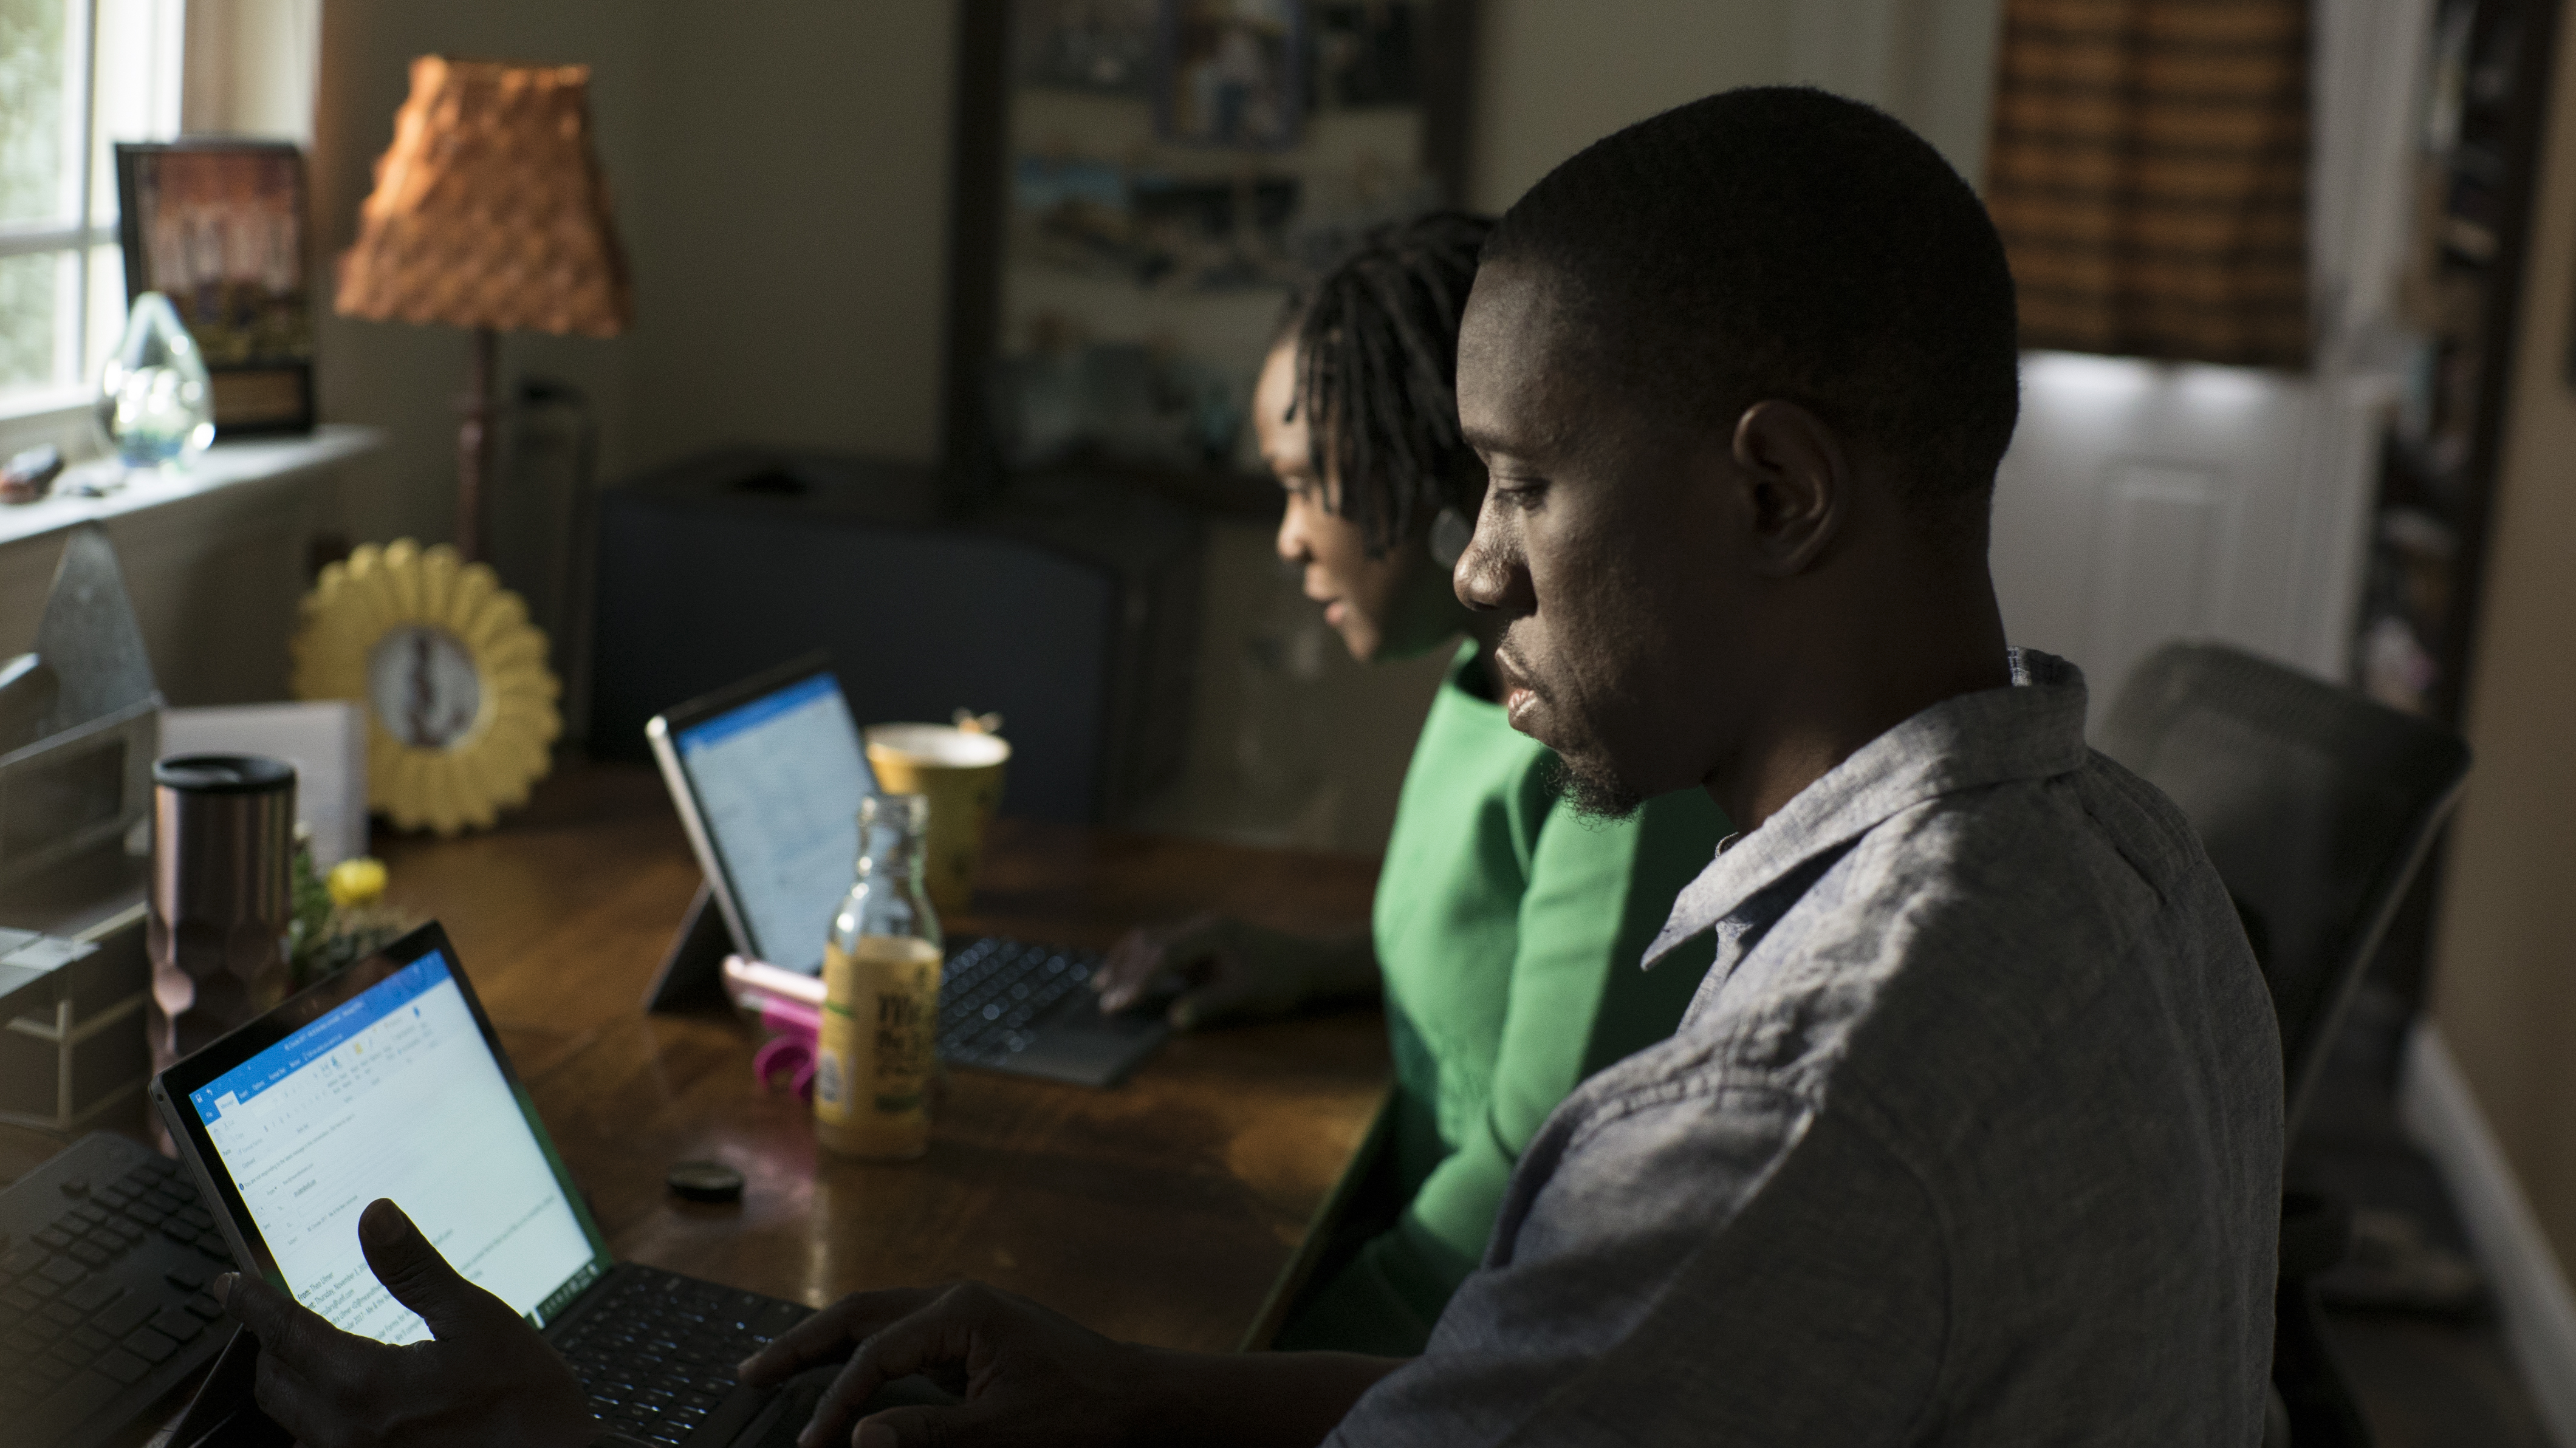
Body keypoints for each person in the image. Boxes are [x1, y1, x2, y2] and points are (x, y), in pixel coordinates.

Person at [213, 86, 2283, 1447]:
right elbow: (1538, 1398)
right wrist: (1120, 1390)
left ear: (1775, 493)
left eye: (1525, 486)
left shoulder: (1780, 1113)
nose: (1472, 563)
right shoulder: (2126, 870)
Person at [1091, 210, 1730, 1354]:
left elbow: (1531, 1187)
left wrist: (1245, 1365)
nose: (1287, 538)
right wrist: (1311, 967)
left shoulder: (1606, 761)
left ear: (1432, 462)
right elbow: (1501, 967)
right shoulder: (1473, 684)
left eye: (1303, 485)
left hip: (1465, 1342)